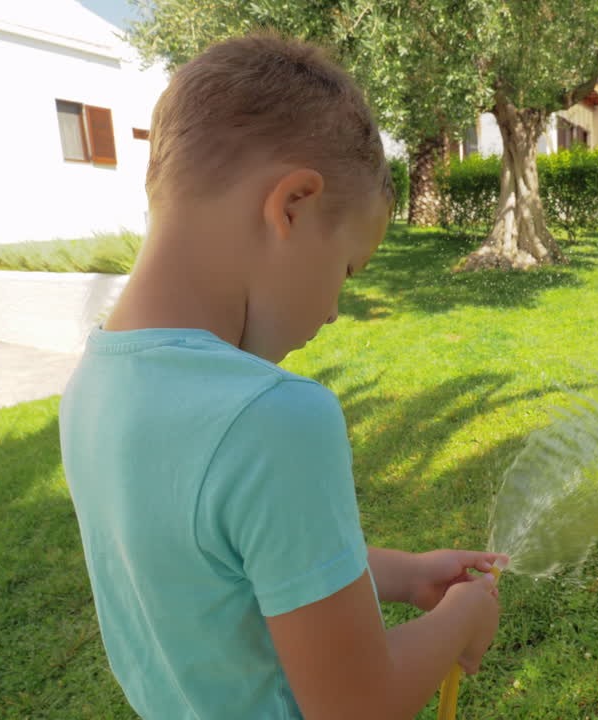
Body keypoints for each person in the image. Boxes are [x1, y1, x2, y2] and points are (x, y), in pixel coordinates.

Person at [58, 32, 503, 720]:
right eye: (345, 272)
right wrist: (460, 622)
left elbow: (228, 573)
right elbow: (361, 706)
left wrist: (407, 575)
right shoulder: (274, 417)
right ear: (291, 205)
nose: (330, 310)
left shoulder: (92, 387)